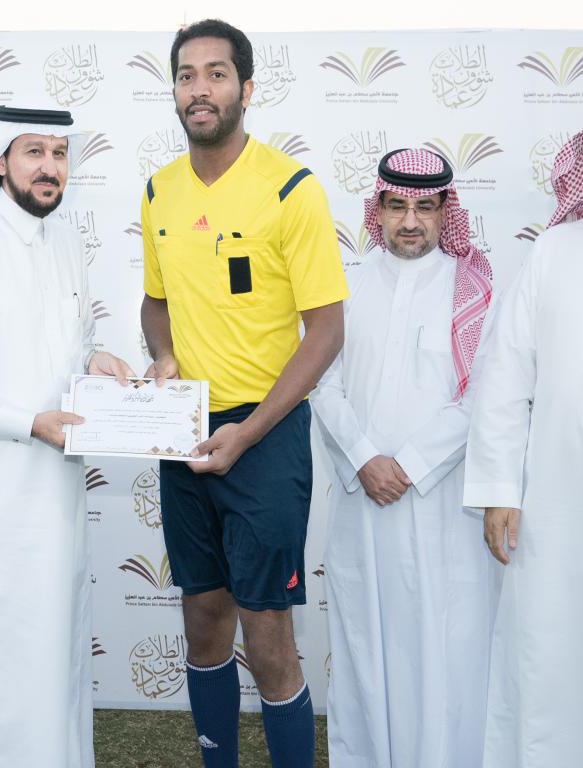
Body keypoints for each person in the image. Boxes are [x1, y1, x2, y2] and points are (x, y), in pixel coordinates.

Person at [140, 20, 348, 768]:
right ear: (174, 90)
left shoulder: (291, 188)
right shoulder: (158, 190)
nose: (200, 89)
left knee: (267, 639)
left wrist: (250, 432)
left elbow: (326, 331)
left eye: (217, 73)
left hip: (264, 435)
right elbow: (155, 303)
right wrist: (164, 355)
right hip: (184, 431)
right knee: (203, 620)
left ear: (247, 88)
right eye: (187, 75)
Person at [0, 104, 134, 768]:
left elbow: (71, 345)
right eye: (34, 152)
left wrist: (95, 360)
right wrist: (28, 422)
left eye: (59, 154)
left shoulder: (67, 241)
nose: (49, 167)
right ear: (1, 161)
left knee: (54, 656)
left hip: (57, 498)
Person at [311, 148, 496, 767]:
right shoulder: (346, 284)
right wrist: (365, 459)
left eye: (425, 207)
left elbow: (483, 395)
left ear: (446, 210)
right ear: (379, 209)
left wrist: (410, 464)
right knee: (364, 644)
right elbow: (322, 384)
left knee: (442, 647)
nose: (410, 221)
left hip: (441, 507)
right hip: (362, 502)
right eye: (397, 206)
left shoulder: (474, 291)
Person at [464, 96, 583, 768]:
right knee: (551, 650)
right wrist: (499, 489)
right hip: (557, 506)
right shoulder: (554, 249)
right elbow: (505, 375)